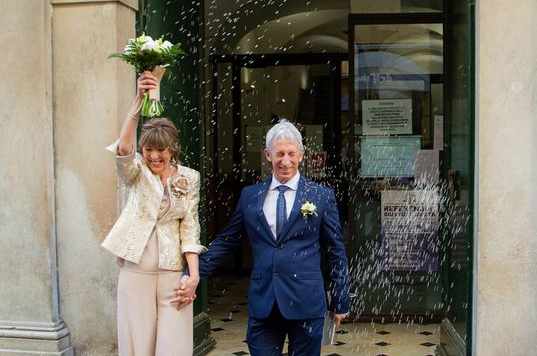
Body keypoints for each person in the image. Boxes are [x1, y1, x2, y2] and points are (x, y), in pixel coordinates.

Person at [176, 119, 350, 356]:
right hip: (264, 301)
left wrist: (341, 298)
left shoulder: (321, 196)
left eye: (291, 153)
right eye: (279, 154)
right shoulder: (250, 196)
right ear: (268, 155)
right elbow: (228, 241)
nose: (285, 161)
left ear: (301, 154)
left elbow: (335, 251)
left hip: (306, 301)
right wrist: (192, 274)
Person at [101, 70, 206, 356]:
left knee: (174, 346)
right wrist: (138, 100)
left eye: (160, 150)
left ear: (173, 149)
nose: (154, 156)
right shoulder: (136, 172)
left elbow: (190, 226)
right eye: (148, 149)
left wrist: (192, 275)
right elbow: (123, 148)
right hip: (136, 269)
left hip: (173, 273)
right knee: (138, 344)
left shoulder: (189, 177)